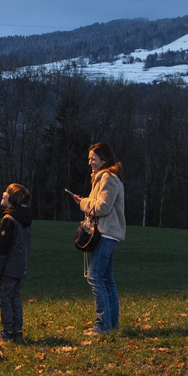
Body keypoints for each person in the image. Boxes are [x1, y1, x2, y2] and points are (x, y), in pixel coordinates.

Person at [70, 143, 125, 335]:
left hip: (106, 234)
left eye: (93, 158)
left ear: (104, 159)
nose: (89, 162)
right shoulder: (103, 179)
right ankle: (112, 325)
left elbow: (102, 208)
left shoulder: (108, 178)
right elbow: (100, 204)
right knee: (106, 279)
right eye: (89, 158)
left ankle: (102, 326)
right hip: (107, 233)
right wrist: (84, 201)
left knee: (94, 277)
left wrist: (83, 203)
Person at [0, 183, 32, 343]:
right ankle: (17, 331)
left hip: (9, 268)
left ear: (12, 198)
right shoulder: (24, 218)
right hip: (20, 266)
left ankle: (7, 333)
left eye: (6, 192)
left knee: (4, 299)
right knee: (14, 297)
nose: (3, 193)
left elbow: (2, 250)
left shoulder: (9, 220)